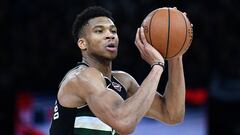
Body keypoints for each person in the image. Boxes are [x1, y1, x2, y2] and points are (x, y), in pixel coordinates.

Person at [50, 6, 186, 135]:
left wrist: (176, 51)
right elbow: (124, 123)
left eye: (113, 31)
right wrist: (157, 67)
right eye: (99, 31)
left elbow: (172, 114)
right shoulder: (81, 77)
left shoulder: (122, 81)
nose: (110, 35)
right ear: (82, 43)